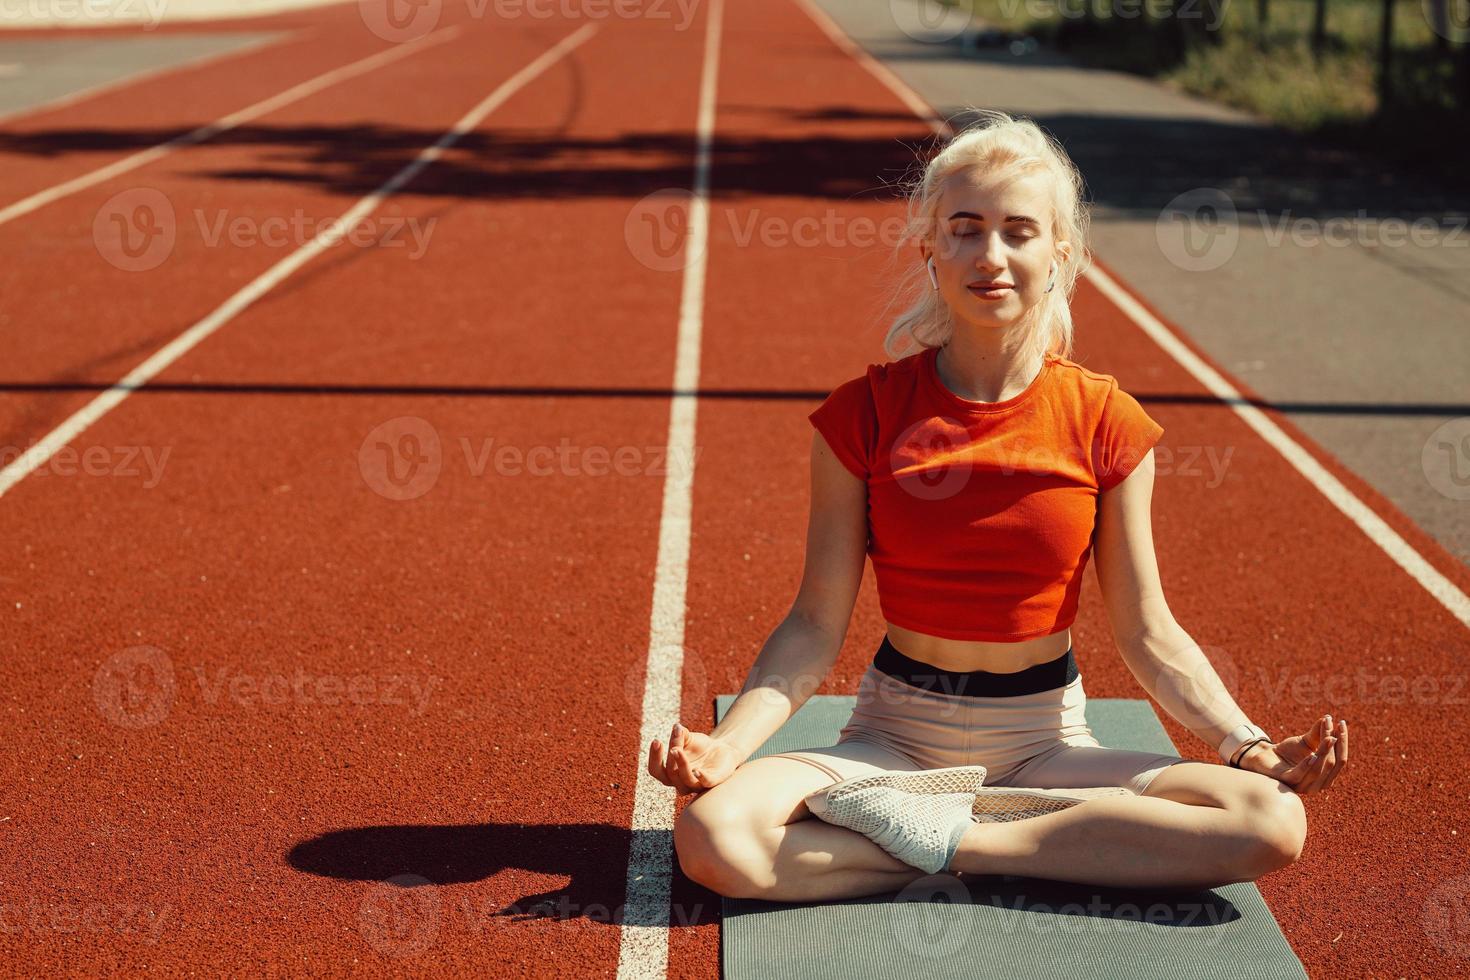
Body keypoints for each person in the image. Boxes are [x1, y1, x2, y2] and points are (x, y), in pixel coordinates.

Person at [647, 109, 1348, 902]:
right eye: (965, 229)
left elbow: (1147, 631)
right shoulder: (863, 415)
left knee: (1269, 820)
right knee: (714, 838)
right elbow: (814, 623)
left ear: (1061, 253)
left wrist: (1248, 746)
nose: (991, 255)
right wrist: (729, 748)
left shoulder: (1106, 421)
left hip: (1045, 744)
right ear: (931, 250)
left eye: (1019, 230)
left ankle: (958, 843)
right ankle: (1043, 844)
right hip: (894, 741)